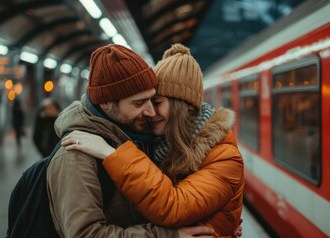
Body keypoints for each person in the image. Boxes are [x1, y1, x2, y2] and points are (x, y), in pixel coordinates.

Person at [61, 44, 244, 237]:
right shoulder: (159, 145)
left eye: (156, 102)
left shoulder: (224, 156)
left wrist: (113, 154)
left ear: (184, 106)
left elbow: (173, 206)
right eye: (142, 102)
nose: (150, 112)